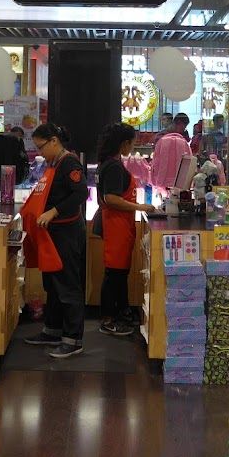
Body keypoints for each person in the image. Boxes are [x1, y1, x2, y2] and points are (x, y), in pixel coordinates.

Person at [21, 123, 88, 359]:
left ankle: (73, 339)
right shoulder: (52, 163)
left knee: (68, 285)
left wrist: (53, 212)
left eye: (41, 147)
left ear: (54, 141)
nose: (39, 152)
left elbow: (81, 194)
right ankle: (52, 330)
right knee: (53, 283)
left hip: (67, 232)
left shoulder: (69, 163)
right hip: (52, 233)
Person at [96, 123, 156, 336]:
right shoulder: (113, 167)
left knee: (118, 274)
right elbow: (110, 198)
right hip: (116, 226)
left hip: (119, 225)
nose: (132, 147)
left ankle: (120, 315)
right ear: (124, 144)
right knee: (114, 274)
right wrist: (140, 207)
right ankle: (108, 319)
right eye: (132, 143)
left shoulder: (109, 163)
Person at [151, 113, 191, 189]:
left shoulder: (181, 137)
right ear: (178, 124)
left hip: (168, 177)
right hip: (170, 177)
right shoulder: (162, 136)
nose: (184, 129)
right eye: (184, 127)